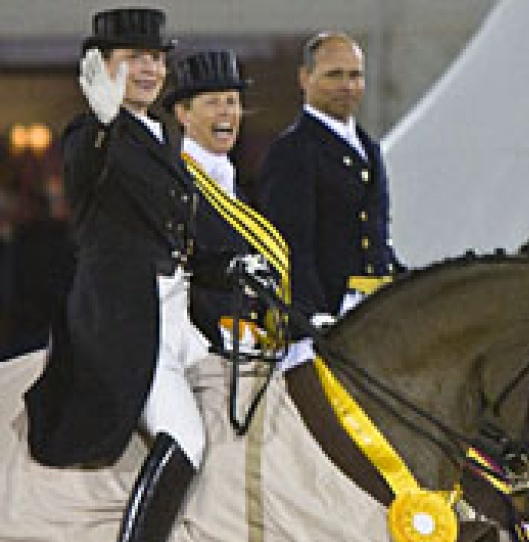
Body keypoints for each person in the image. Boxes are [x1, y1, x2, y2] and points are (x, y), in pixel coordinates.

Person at [23, 9, 246, 541]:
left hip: (177, 315)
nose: (148, 69)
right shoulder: (89, 131)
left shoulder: (163, 138)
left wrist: (238, 260)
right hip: (126, 322)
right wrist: (103, 126)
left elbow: (184, 224)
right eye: (133, 59)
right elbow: (83, 176)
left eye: (155, 58)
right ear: (102, 67)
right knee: (186, 438)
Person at [257, 31, 402, 368]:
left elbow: (375, 233)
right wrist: (313, 319)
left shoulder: (368, 147)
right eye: (334, 75)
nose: (347, 86)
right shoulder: (294, 150)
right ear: (305, 78)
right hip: (327, 327)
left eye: (355, 75)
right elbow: (292, 245)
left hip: (374, 315)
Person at [164, 49, 289, 357]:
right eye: (212, 102)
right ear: (183, 113)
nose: (225, 112)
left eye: (231, 102)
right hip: (202, 350)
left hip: (250, 346)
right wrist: (217, 328)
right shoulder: (174, 183)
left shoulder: (235, 186)